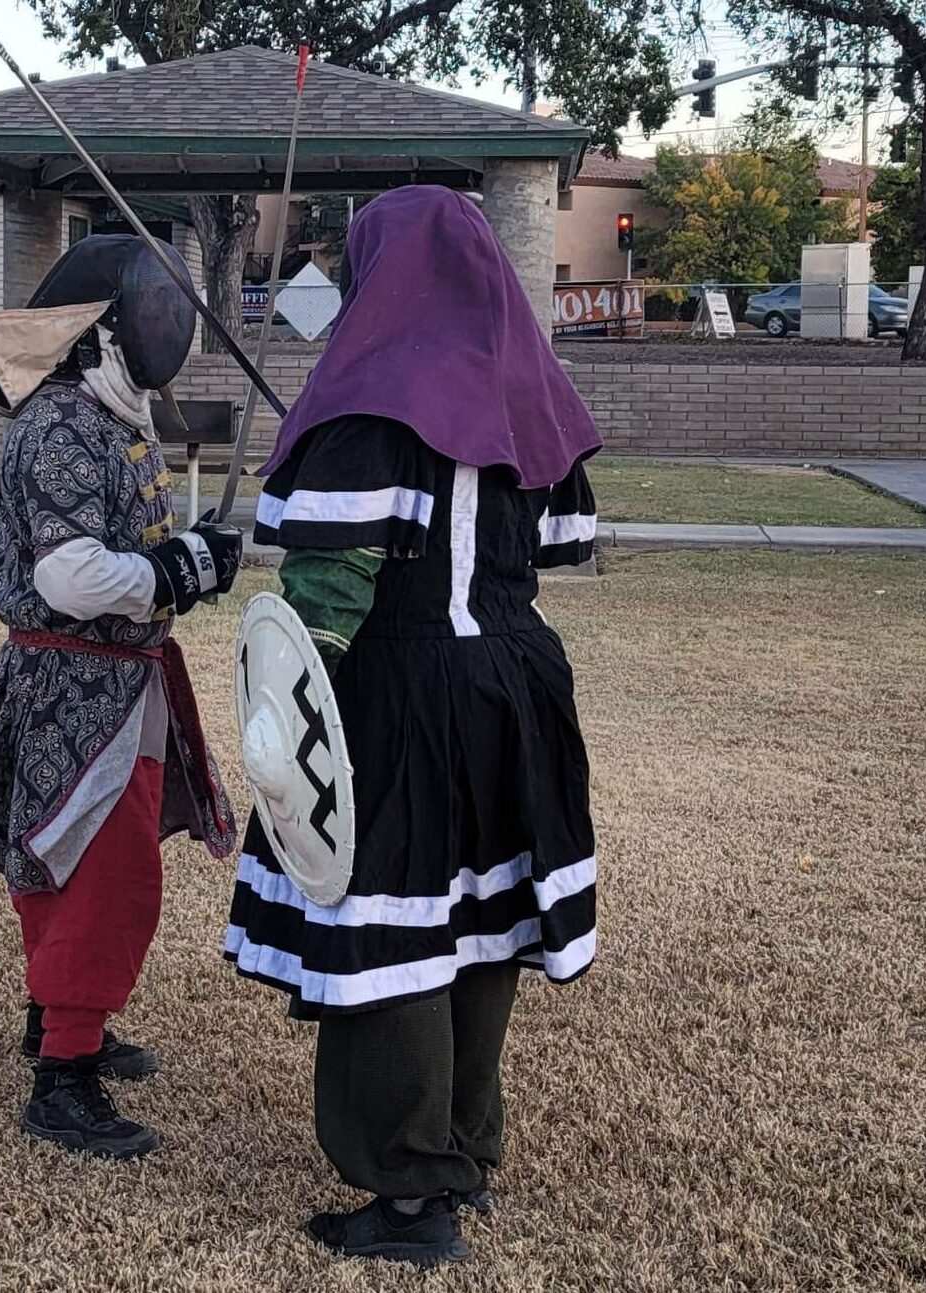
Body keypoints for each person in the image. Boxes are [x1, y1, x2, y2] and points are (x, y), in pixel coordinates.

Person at [224, 186, 602, 1266]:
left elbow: (326, 591)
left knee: (386, 930)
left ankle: (407, 1199)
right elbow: (557, 548)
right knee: (475, 923)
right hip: (516, 687)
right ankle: (461, 1153)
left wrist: (286, 715)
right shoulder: (534, 393)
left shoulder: (362, 405)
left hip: (398, 694)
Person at [0, 234, 240, 1161]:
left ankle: (60, 1024)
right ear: (102, 332)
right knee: (95, 870)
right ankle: (63, 1080)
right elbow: (68, 576)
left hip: (122, 677)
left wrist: (188, 563)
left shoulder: (109, 420)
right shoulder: (60, 424)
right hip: (76, 682)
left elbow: (127, 557)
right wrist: (171, 571)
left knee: (91, 856)